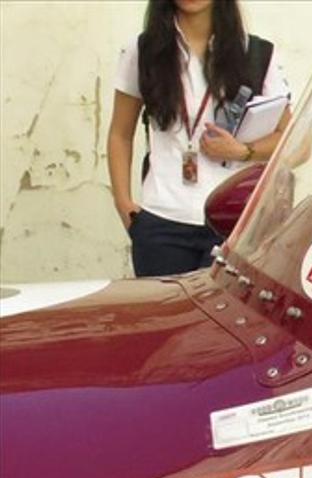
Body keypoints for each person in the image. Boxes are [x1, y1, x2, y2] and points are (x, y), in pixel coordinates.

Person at [107, 0, 291, 277]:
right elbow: (120, 133)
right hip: (161, 223)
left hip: (234, 226)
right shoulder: (143, 50)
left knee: (224, 321)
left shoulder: (256, 54)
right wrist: (124, 204)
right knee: (165, 320)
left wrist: (243, 151)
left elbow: (297, 144)